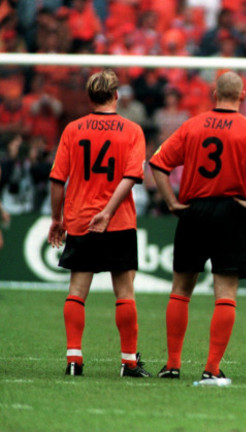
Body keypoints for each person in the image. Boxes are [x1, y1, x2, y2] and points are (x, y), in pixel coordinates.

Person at [149, 71, 246, 385]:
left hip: (193, 210)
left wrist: (172, 202)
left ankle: (172, 364)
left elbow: (158, 163)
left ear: (214, 94)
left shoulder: (192, 125)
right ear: (242, 96)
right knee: (225, 292)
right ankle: (212, 368)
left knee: (181, 289)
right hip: (232, 211)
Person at [47, 69, 151, 378]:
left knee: (77, 291)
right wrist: (107, 211)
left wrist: (57, 218)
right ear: (116, 95)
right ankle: (129, 362)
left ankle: (74, 359)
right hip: (117, 220)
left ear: (90, 96)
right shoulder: (132, 130)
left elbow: (56, 179)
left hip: (79, 219)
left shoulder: (73, 129)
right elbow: (131, 177)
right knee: (125, 291)